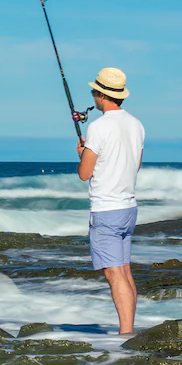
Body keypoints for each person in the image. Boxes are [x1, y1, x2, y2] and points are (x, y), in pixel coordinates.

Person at [72, 67, 145, 335]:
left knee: (115, 274)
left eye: (94, 91)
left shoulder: (98, 127)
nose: (93, 96)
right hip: (128, 208)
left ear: (101, 95)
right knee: (124, 271)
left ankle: (126, 335)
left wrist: (82, 153)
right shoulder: (136, 124)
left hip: (106, 209)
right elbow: (134, 165)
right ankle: (128, 331)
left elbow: (84, 174)